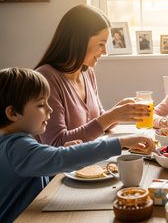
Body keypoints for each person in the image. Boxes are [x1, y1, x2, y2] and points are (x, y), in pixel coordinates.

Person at [0, 67, 154, 223]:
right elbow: (60, 159)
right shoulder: (15, 148)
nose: (50, 109)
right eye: (41, 105)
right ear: (13, 113)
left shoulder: (13, 143)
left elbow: (44, 169)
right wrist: (120, 143)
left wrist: (63, 152)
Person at [34, 4, 150, 147]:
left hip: (84, 162)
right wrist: (111, 116)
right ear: (79, 40)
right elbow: (56, 144)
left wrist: (117, 112)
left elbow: (98, 125)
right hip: (58, 168)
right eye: (101, 44)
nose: (105, 52)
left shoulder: (87, 72)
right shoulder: (46, 78)